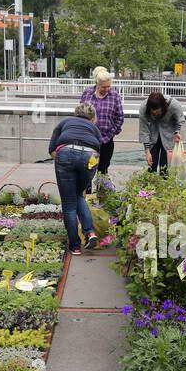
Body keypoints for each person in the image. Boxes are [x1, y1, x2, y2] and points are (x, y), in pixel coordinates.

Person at [47, 102, 102, 256]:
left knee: (69, 203)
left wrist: (62, 163)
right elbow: (99, 149)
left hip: (65, 154)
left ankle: (75, 246)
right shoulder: (94, 129)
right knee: (78, 195)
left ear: (75, 113)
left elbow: (51, 149)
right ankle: (90, 232)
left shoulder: (64, 122)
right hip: (90, 157)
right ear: (92, 118)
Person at [79, 66, 124, 190]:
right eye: (104, 87)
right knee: (86, 168)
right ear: (97, 84)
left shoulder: (114, 96)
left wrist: (109, 136)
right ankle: (85, 197)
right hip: (87, 140)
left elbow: (119, 118)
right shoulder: (87, 93)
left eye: (109, 86)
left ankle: (101, 196)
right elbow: (80, 113)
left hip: (106, 140)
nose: (107, 89)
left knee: (102, 170)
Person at [139, 91, 184, 174]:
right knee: (151, 166)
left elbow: (180, 120)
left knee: (165, 167)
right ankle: (150, 186)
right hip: (152, 135)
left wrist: (177, 132)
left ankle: (165, 184)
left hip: (169, 135)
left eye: (157, 110)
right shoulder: (143, 107)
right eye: (152, 110)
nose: (154, 112)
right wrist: (147, 152)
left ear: (162, 106)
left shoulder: (174, 105)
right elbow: (144, 130)